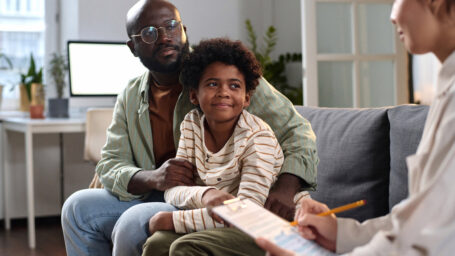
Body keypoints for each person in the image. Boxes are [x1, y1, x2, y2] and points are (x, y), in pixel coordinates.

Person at [61, 0, 318, 255]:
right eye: (150, 33)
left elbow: (298, 134)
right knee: (76, 207)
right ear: (133, 47)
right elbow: (109, 164)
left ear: (184, 31)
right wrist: (154, 177)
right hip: (164, 192)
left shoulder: (226, 75)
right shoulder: (131, 95)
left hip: (207, 196)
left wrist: (286, 189)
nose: (164, 37)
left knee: (132, 222)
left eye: (172, 26)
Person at [256, 0, 455, 255]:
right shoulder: (446, 90)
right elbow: (417, 222)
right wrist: (340, 233)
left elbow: (429, 242)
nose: (393, 16)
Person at [142, 38, 310, 256]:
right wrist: (206, 195)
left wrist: (175, 220)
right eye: (212, 84)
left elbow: (248, 212)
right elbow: (173, 190)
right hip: (225, 220)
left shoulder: (258, 137)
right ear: (194, 94)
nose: (223, 92)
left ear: (247, 97)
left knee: (183, 247)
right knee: (157, 244)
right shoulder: (191, 125)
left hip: (269, 226)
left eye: (234, 85)